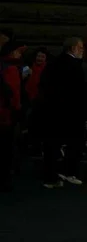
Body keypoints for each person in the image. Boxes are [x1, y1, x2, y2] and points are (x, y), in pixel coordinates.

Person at [40, 37, 87, 188]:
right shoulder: (75, 66)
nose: (82, 51)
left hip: (54, 110)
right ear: (73, 48)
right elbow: (80, 90)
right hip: (72, 112)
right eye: (80, 48)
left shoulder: (54, 64)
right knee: (77, 141)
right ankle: (69, 171)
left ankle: (51, 176)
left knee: (53, 143)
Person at [1, 39, 25, 192]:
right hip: (6, 114)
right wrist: (17, 109)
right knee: (6, 149)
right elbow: (13, 93)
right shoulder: (12, 69)